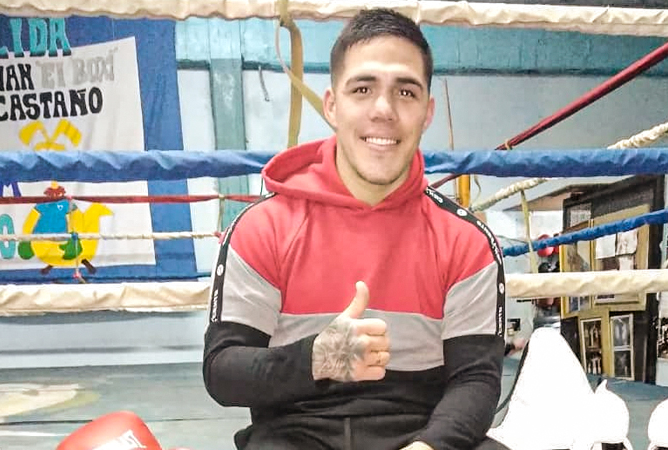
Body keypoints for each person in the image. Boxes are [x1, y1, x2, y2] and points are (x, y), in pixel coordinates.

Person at [202, 8, 507, 450]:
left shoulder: (467, 243)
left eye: (405, 92)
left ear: (427, 112)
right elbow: (222, 371)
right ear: (332, 105)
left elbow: (475, 380)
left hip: (422, 431)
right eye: (363, 89)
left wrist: (428, 448)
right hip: (293, 434)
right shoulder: (262, 230)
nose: (383, 110)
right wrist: (316, 358)